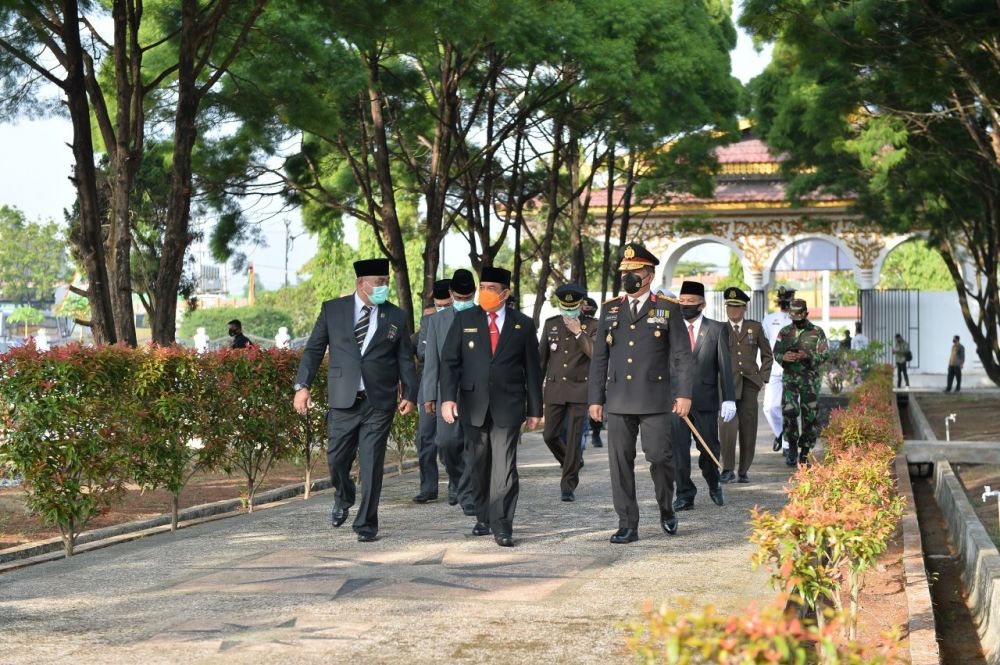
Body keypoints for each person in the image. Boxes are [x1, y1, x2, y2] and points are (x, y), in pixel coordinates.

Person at [293, 258, 418, 542]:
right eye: (378, 283)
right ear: (361, 284)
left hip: (379, 402)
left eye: (385, 282)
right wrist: (302, 386)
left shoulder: (395, 316)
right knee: (336, 460)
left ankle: (366, 524)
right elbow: (313, 350)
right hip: (343, 399)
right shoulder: (332, 310)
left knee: (372, 464)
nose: (383, 287)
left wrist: (410, 393)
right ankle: (343, 495)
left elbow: (404, 359)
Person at [588, 243, 694, 544]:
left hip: (655, 399)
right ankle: (627, 523)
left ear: (648, 275)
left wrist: (684, 394)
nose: (628, 277)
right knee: (620, 463)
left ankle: (666, 509)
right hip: (619, 399)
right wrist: (595, 398)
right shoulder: (610, 309)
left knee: (660, 458)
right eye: (625, 272)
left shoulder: (668, 309)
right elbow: (600, 358)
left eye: (634, 272)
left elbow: (682, 356)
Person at [440, 266, 543, 548]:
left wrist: (535, 408)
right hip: (472, 405)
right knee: (479, 462)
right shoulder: (465, 320)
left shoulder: (522, 324)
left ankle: (503, 525)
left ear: (505, 293)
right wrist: (448, 399)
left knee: (505, 466)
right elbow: (450, 362)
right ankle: (483, 516)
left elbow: (533, 370)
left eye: (491, 288)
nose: (485, 293)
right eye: (482, 286)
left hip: (508, 405)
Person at [671, 280, 737, 511]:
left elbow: (724, 366)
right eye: (682, 302)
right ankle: (684, 494)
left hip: (705, 399)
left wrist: (729, 397)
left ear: (702, 305)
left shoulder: (716, 329)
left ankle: (713, 483)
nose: (685, 306)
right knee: (678, 451)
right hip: (675, 401)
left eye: (691, 302)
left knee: (709, 449)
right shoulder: (670, 327)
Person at [421, 270, 478, 515]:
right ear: (452, 294)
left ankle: (467, 493)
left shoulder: (484, 316)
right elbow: (431, 360)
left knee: (475, 445)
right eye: (460, 296)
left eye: (468, 296)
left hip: (478, 393)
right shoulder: (437, 321)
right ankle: (458, 480)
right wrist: (429, 395)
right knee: (445, 442)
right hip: (447, 393)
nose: (463, 300)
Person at [539, 283, 597, 502]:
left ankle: (568, 484)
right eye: (565, 306)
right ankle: (571, 463)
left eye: (573, 306)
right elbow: (541, 361)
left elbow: (595, 353)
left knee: (574, 439)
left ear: (581, 305)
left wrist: (578, 332)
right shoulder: (550, 324)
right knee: (549, 435)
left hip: (580, 390)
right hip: (554, 389)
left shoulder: (593, 325)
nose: (569, 310)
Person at [718, 287, 773, 484]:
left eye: (737, 307)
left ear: (744, 309)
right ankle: (727, 469)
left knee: (749, 429)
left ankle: (743, 470)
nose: (732, 311)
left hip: (750, 384)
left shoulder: (755, 328)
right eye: (729, 307)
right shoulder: (720, 330)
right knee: (727, 428)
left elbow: (767, 355)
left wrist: (763, 378)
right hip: (727, 385)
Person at [772, 299, 829, 466]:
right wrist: (784, 357)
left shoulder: (817, 332)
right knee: (789, 412)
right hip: (790, 378)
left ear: (806, 314)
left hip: (810, 380)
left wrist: (807, 356)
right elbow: (776, 352)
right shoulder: (785, 331)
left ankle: (804, 452)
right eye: (793, 316)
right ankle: (791, 448)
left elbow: (825, 354)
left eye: (799, 315)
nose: (796, 319)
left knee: (809, 416)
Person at [412, 280, 452, 504]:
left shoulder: (463, 319)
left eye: (446, 304)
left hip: (452, 390)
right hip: (428, 387)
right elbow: (422, 351)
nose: (442, 308)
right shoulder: (429, 321)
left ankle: (456, 484)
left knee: (451, 441)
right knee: (425, 440)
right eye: (439, 305)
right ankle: (428, 488)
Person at [761, 286, 794, 454]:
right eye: (782, 301)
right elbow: (763, 345)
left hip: (792, 369)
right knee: (769, 407)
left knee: (789, 408)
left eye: (787, 301)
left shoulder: (798, 319)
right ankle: (780, 434)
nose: (785, 304)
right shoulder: (769, 319)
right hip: (774, 368)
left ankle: (787, 446)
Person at [580, 297, 604, 449]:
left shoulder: (597, 326)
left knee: (597, 405)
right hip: (577, 373)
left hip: (593, 373)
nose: (587, 312)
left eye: (590, 310)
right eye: (585, 309)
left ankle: (596, 433)